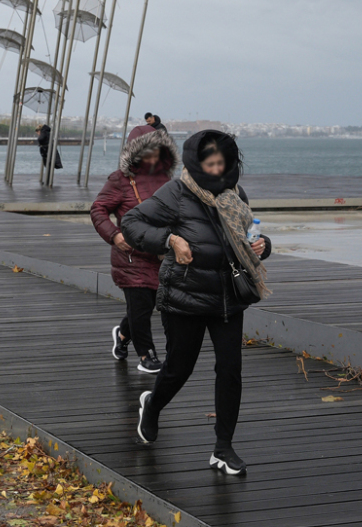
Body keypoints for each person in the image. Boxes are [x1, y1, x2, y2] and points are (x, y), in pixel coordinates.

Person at [121, 130, 271, 476]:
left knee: (230, 371)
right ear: (196, 163)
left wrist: (263, 246)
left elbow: (247, 238)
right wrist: (170, 239)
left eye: (223, 163)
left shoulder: (235, 194)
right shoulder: (176, 192)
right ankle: (152, 406)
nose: (218, 171)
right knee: (178, 368)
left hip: (228, 299)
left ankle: (223, 448)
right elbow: (131, 223)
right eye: (211, 164)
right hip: (184, 298)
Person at [91, 124, 179, 374]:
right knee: (140, 307)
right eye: (147, 151)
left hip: (161, 254)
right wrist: (114, 235)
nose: (153, 156)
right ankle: (146, 355)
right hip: (131, 257)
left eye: (157, 150)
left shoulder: (167, 179)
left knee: (146, 306)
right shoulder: (119, 179)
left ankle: (122, 335)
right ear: (135, 152)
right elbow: (98, 209)